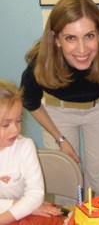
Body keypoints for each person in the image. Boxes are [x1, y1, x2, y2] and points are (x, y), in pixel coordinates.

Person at [21, 0, 99, 197]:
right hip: (57, 112)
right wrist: (61, 140)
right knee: (68, 180)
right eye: (70, 38)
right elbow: (30, 102)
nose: (82, 49)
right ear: (56, 39)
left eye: (89, 36)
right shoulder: (41, 61)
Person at [0, 80, 61, 224]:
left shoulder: (25, 147)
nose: (15, 129)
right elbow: (30, 203)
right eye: (6, 124)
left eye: (19, 121)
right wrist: (20, 205)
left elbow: (35, 195)